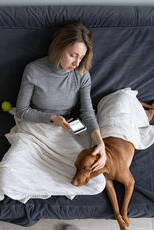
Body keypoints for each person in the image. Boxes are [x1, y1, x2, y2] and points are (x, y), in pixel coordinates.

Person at [16, 21, 106, 171]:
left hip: (70, 122)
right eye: (73, 55)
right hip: (37, 122)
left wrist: (100, 143)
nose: (77, 63)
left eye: (81, 57)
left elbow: (88, 114)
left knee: (90, 172)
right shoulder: (33, 70)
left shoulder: (82, 75)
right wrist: (52, 118)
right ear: (59, 48)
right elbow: (22, 110)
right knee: (12, 173)